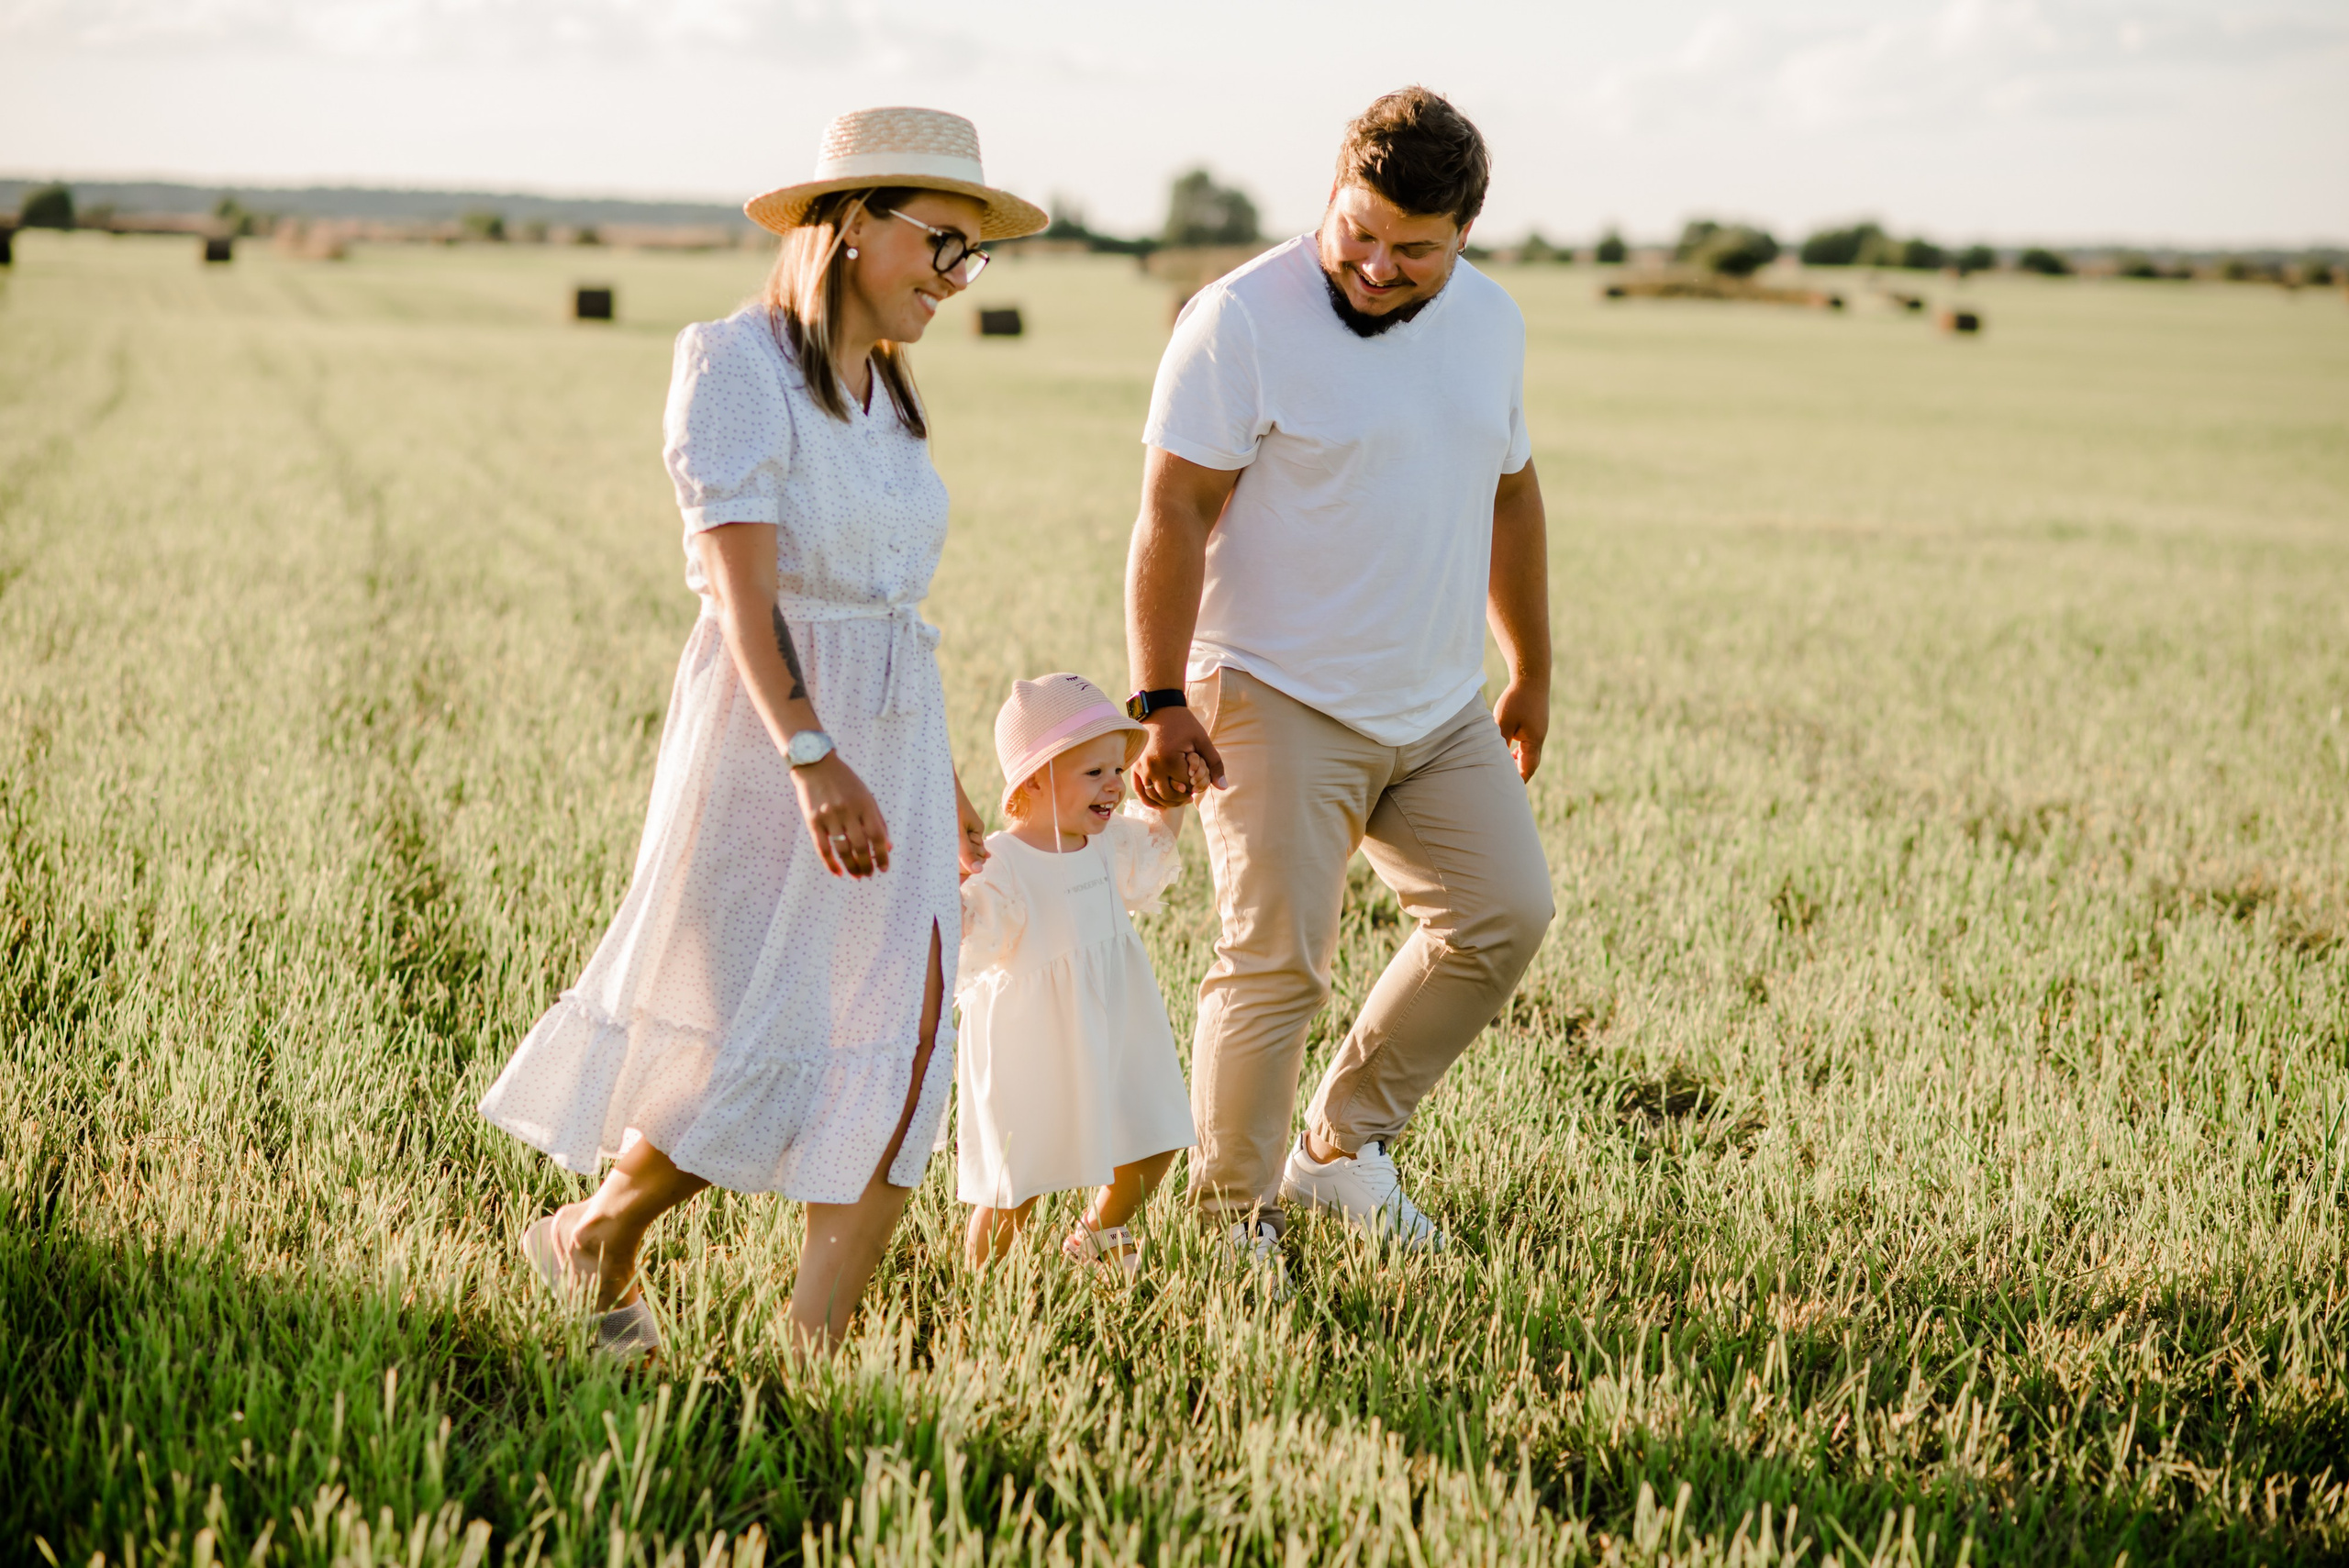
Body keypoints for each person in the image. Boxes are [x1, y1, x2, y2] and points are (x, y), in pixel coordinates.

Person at [475, 106, 1047, 1355]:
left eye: (972, 259)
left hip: (886, 746)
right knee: (754, 1033)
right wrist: (809, 755)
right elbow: (743, 592)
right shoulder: (736, 364)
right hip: (768, 742)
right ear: (848, 227)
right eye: (942, 246)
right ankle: (596, 1235)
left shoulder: (889, 397)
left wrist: (933, 774)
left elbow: (889, 615)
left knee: (902, 1047)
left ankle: (815, 1348)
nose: (955, 280)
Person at [1124, 87, 1555, 1283]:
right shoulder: (1238, 322)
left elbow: (1511, 491)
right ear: (1332, 190)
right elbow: (1172, 508)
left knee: (1503, 913)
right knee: (1275, 965)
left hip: (1438, 702)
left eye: (1410, 250)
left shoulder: (1493, 324)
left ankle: (1341, 1146)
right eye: (1356, 231)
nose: (1372, 265)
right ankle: (1230, 1221)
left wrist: (1531, 668)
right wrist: (1162, 698)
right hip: (1272, 693)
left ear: (1465, 235)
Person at [954, 674, 1200, 1277]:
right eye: (1094, 773)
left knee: (1153, 1136)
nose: (1115, 784)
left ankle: (1099, 1229)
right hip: (1034, 1047)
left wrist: (1172, 796)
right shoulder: (1003, 864)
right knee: (1020, 1181)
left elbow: (1152, 846)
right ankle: (985, 1285)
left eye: (1117, 769)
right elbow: (966, 934)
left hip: (1114, 1020)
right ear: (1033, 781)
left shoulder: (1106, 842)